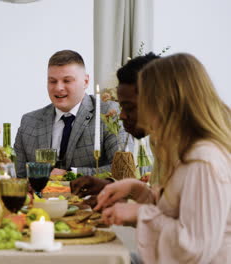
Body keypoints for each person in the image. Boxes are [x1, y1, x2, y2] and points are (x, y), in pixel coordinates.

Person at [95, 53, 231, 263]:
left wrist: (140, 213)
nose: (123, 114)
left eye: (146, 100)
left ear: (167, 103)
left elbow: (194, 248)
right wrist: (137, 190)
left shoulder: (204, 160)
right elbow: (178, 211)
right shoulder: (184, 150)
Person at [14, 50, 128, 178]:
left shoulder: (109, 113)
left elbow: (123, 169)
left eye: (67, 81)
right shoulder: (29, 122)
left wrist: (71, 174)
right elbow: (19, 177)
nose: (58, 88)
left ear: (85, 81)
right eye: (52, 81)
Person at [70, 53, 160, 203]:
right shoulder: (160, 144)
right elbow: (161, 204)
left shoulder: (197, 158)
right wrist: (110, 186)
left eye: (129, 107)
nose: (121, 116)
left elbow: (187, 225)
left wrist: (132, 212)